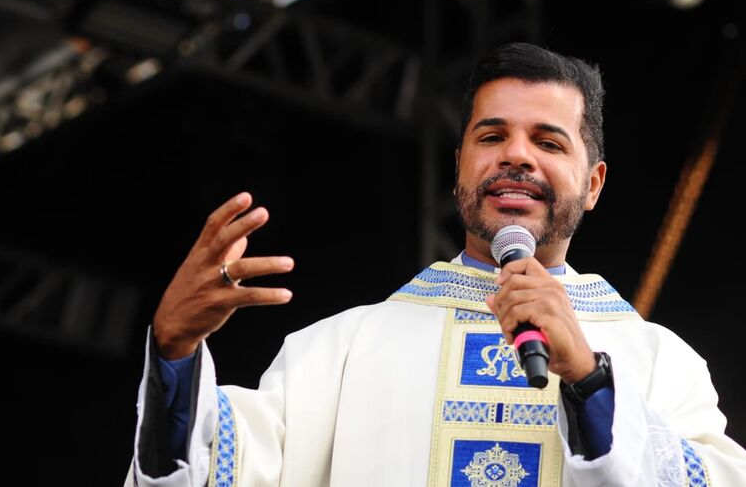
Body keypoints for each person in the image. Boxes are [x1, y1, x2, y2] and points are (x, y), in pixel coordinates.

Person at [125, 42, 746, 486]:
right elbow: (206, 472)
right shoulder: (342, 350)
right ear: (460, 170)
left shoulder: (662, 363)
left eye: (549, 142)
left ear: (594, 183)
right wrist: (175, 353)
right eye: (492, 136)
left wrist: (587, 382)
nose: (517, 157)